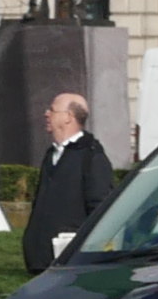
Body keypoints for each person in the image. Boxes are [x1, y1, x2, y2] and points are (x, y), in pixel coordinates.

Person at [22, 91, 116, 271]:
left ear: (68, 117)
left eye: (52, 110)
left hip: (69, 261)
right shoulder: (52, 154)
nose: (46, 114)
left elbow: (99, 207)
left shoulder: (91, 156)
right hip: (40, 261)